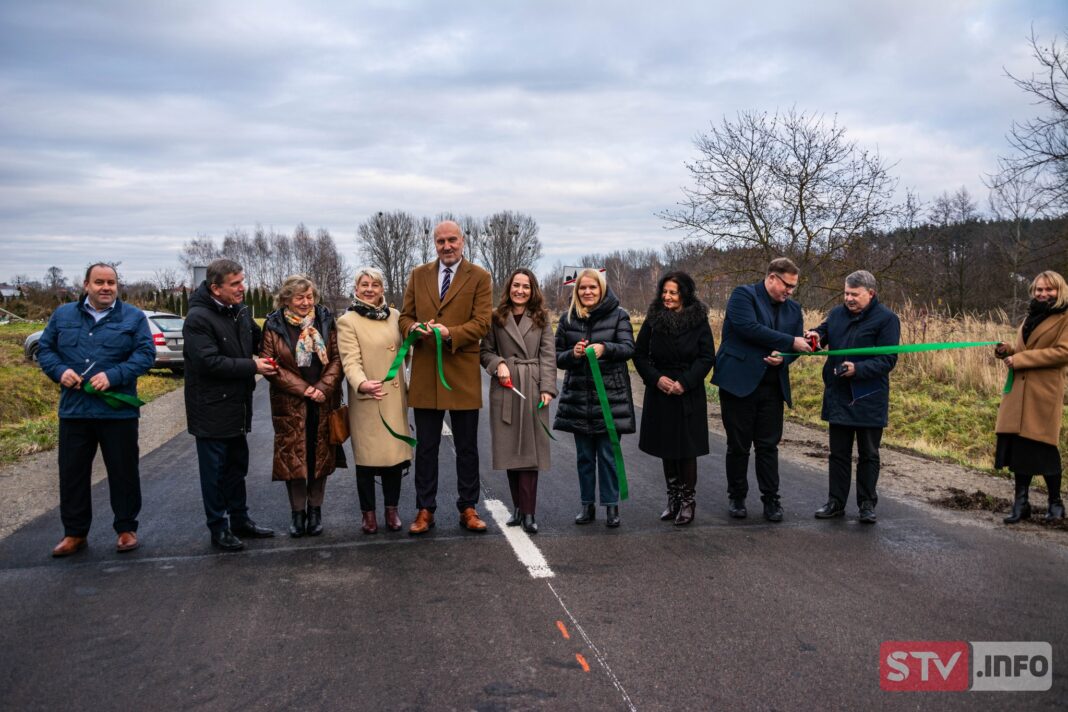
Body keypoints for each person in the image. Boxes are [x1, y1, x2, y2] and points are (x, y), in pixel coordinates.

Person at [37, 263, 156, 557]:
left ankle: (126, 529)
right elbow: (45, 350)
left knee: (123, 472)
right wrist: (59, 370)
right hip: (75, 412)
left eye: (111, 282)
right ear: (86, 285)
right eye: (100, 282)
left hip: (117, 412)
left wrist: (114, 375)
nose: (106, 287)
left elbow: (145, 355)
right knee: (73, 474)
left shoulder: (133, 317)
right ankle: (75, 533)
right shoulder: (63, 315)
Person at [398, 220, 493, 535]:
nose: (447, 246)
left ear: (462, 241)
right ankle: (425, 509)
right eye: (441, 241)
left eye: (452, 240)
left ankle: (468, 507)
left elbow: (481, 323)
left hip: (461, 373)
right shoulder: (418, 275)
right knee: (426, 447)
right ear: (434, 244)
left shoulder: (479, 277)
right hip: (426, 373)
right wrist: (412, 329)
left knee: (467, 446)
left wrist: (449, 333)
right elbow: (405, 317)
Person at [184, 258, 278, 551]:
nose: (242, 288)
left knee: (237, 468)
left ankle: (240, 520)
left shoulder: (239, 312)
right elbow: (208, 362)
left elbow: (258, 340)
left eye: (242, 281)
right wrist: (254, 367)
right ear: (215, 288)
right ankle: (218, 527)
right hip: (210, 409)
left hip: (237, 406)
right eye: (235, 284)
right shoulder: (198, 319)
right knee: (214, 473)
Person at [711, 258, 811, 522]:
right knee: (738, 446)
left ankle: (771, 500)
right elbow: (749, 329)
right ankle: (737, 497)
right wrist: (790, 341)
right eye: (787, 285)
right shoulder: (743, 296)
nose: (790, 291)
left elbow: (795, 349)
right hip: (738, 383)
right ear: (771, 278)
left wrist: (785, 357)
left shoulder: (794, 309)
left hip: (772, 385)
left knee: (768, 446)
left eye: (793, 287)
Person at [805, 270, 900, 524]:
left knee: (868, 454)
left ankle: (867, 504)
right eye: (846, 293)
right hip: (838, 393)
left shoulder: (887, 319)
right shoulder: (837, 314)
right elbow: (823, 333)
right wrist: (815, 336)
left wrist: (858, 369)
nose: (849, 298)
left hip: (868, 396)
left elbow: (888, 359)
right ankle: (835, 502)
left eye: (854, 294)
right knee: (838, 454)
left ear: (871, 293)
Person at [261, 275, 344, 538]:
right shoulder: (273, 325)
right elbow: (269, 364)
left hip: (323, 400)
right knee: (294, 458)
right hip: (290, 402)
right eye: (299, 297)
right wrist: (303, 388)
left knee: (319, 455)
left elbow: (337, 359)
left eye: (309, 297)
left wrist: (322, 388)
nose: (306, 302)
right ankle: (297, 513)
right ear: (286, 299)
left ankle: (315, 511)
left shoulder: (326, 320)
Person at [554, 268, 635, 528]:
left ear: (601, 289)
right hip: (578, 397)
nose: (587, 292)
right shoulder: (567, 319)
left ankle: (611, 507)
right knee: (584, 457)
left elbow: (627, 348)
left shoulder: (620, 315)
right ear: (576, 291)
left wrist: (604, 348)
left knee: (609, 453)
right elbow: (556, 356)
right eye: (582, 288)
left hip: (609, 397)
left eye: (592, 287)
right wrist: (573, 354)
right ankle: (586, 505)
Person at [634, 271, 716, 526]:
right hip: (660, 391)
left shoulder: (698, 320)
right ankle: (673, 499)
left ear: (684, 294)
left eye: (673, 292)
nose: (667, 297)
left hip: (688, 392)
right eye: (665, 292)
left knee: (686, 449)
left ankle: (688, 501)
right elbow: (639, 355)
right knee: (666, 447)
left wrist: (686, 382)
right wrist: (656, 378)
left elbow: (706, 357)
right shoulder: (653, 319)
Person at [480, 268, 557, 534]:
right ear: (509, 288)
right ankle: (517, 507)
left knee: (530, 453)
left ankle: (529, 512)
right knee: (510, 450)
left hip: (532, 388)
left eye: (525, 286)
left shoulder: (542, 317)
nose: (520, 290)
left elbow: (548, 354)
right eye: (516, 285)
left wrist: (547, 388)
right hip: (506, 388)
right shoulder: (496, 316)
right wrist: (498, 363)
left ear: (532, 289)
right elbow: (485, 351)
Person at [337, 267, 413, 534]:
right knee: (367, 461)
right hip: (368, 399)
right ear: (356, 289)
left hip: (394, 398)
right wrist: (361, 383)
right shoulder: (348, 321)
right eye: (364, 284)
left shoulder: (395, 316)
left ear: (382, 289)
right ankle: (368, 515)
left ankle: (391, 511)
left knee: (394, 458)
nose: (370, 289)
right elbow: (350, 360)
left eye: (375, 285)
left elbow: (408, 350)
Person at [995, 270, 1068, 524]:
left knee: (1045, 449)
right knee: (1019, 450)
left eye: (1049, 289)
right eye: (1039, 289)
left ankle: (1055, 504)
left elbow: (1062, 352)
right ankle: (1021, 504)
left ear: (1060, 291)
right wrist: (1009, 350)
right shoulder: (1030, 317)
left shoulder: (1065, 318)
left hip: (1043, 393)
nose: (1043, 293)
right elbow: (1028, 348)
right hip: (1019, 392)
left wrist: (1020, 359)